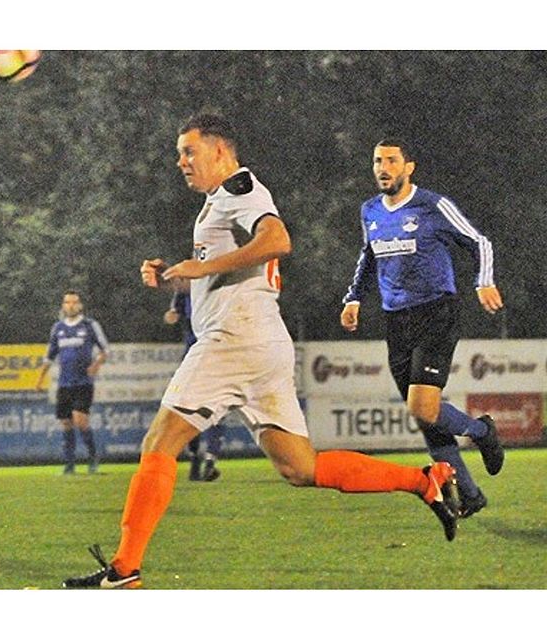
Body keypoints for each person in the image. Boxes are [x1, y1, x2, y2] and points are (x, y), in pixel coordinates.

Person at [63, 112, 462, 590]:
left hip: (234, 339)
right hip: (261, 341)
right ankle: (425, 481)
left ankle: (125, 569)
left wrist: (199, 268)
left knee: (159, 443)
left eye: (189, 152)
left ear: (219, 151)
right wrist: (176, 275)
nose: (181, 162)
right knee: (301, 467)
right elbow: (232, 271)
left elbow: (277, 240)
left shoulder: (240, 188)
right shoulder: (220, 200)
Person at [341, 138, 505, 518]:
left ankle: (482, 432)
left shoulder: (433, 205)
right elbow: (368, 256)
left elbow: (479, 242)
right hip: (396, 320)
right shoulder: (370, 211)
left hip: (436, 313)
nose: (383, 168)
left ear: (408, 167)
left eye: (391, 161)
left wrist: (483, 281)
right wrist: (353, 298)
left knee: (423, 405)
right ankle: (470, 494)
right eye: (377, 161)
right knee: (424, 416)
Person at [36, 290, 109, 474]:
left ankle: (92, 460)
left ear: (80, 305)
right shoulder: (58, 328)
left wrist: (96, 365)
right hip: (64, 383)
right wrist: (40, 378)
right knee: (66, 422)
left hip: (83, 382)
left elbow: (105, 350)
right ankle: (69, 465)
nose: (71, 306)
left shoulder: (89, 325)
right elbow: (49, 356)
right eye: (67, 302)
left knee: (80, 420)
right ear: (63, 306)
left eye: (74, 302)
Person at [163, 291, 221, 482]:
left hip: (216, 354)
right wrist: (172, 315)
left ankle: (210, 459)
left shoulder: (217, 287)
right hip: (193, 356)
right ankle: (195, 456)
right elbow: (173, 313)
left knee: (215, 407)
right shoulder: (184, 292)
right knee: (188, 407)